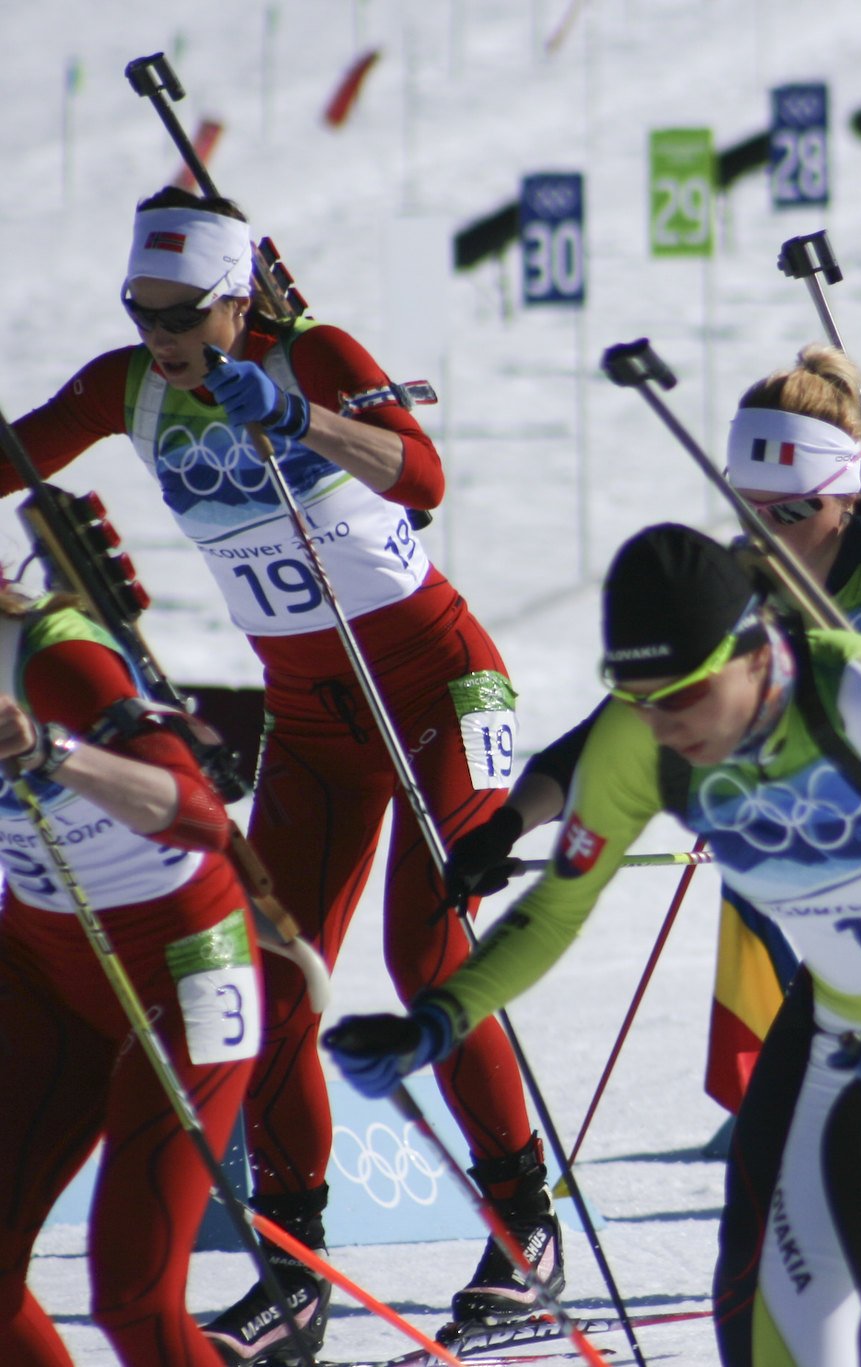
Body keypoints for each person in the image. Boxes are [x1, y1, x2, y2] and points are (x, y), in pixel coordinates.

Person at [325, 522, 861, 1365]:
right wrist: (435, 1023)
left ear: (752, 651)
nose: (665, 724)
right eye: (641, 698)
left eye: (683, 694)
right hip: (856, 1055)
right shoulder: (647, 738)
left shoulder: (860, 693)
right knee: (778, 1347)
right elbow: (557, 910)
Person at [3, 187, 557, 1361]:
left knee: (429, 950)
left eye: (183, 311)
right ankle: (294, 1261)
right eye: (140, 309)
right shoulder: (129, 386)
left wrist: (293, 412)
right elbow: (14, 456)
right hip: (314, 719)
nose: (161, 334)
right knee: (277, 977)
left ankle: (524, 1225)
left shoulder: (312, 351)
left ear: (235, 295)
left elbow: (422, 478)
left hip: (441, 687)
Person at [442, 347, 861, 1111]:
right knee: (789, 1111)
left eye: (791, 512)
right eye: (751, 510)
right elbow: (626, 719)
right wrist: (509, 821)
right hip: (837, 858)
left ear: (844, 496)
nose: (771, 533)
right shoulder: (742, 585)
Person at [0, 583, 260, 1366]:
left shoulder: (51, 655)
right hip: (41, 964)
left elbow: (201, 814)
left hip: (187, 964)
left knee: (132, 1293)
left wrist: (53, 753)